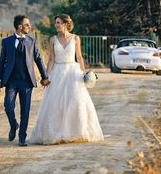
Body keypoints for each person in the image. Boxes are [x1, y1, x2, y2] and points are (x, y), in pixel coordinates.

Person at [28, 14, 104, 144]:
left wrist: (84, 73)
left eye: (58, 22)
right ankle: (56, 133)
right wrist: (45, 76)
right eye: (55, 23)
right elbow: (51, 59)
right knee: (55, 104)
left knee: (75, 102)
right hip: (57, 72)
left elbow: (79, 57)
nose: (56, 25)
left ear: (65, 24)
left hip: (73, 73)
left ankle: (76, 132)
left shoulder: (75, 38)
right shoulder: (53, 40)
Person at [0, 15, 50, 147]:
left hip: (26, 81)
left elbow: (38, 59)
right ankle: (14, 125)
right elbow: (1, 61)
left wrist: (44, 77)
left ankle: (22, 138)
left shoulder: (32, 41)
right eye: (27, 24)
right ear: (20, 26)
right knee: (8, 106)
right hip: (11, 81)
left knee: (25, 111)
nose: (29, 26)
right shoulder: (6, 42)